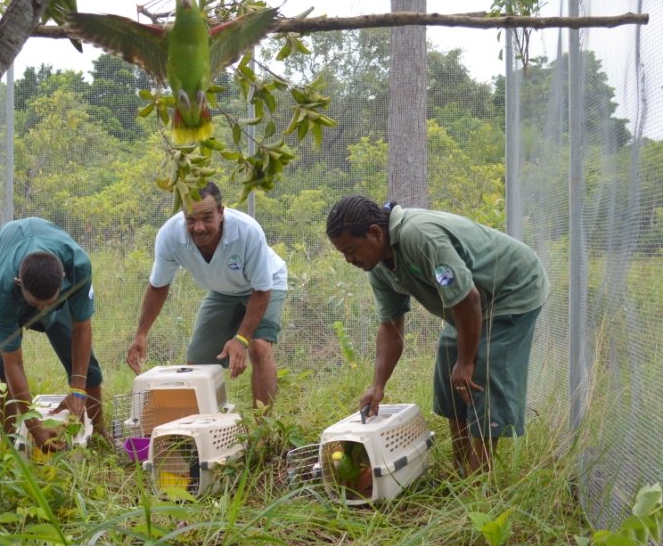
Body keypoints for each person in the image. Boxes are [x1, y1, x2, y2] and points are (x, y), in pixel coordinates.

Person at [325, 195, 549, 475]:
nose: (349, 260)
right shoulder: (379, 267)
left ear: (375, 233)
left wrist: (467, 362)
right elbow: (390, 328)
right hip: (470, 304)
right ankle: (461, 470)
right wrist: (377, 385)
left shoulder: (418, 237)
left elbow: (467, 299)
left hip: (511, 289)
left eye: (351, 250)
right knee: (448, 362)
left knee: (482, 371)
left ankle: (481, 481)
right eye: (343, 254)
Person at [127, 182, 288, 407]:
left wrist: (241, 339)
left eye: (207, 218)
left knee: (259, 347)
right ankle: (203, 421)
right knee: (197, 360)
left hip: (263, 286)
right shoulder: (170, 236)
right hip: (222, 290)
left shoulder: (247, 231)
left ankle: (264, 430)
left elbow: (262, 290)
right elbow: (158, 286)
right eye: (191, 220)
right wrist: (141, 334)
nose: (199, 228)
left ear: (221, 212)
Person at [0, 217, 106, 449]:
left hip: (51, 277)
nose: (43, 311)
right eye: (37, 305)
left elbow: (82, 326)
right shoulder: (2, 290)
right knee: (0, 363)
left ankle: (100, 437)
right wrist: (35, 428)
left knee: (85, 364)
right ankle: (9, 446)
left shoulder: (78, 266)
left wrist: (78, 389)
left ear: (63, 280)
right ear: (19, 284)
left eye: (50, 303)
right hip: (1, 264)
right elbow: (13, 363)